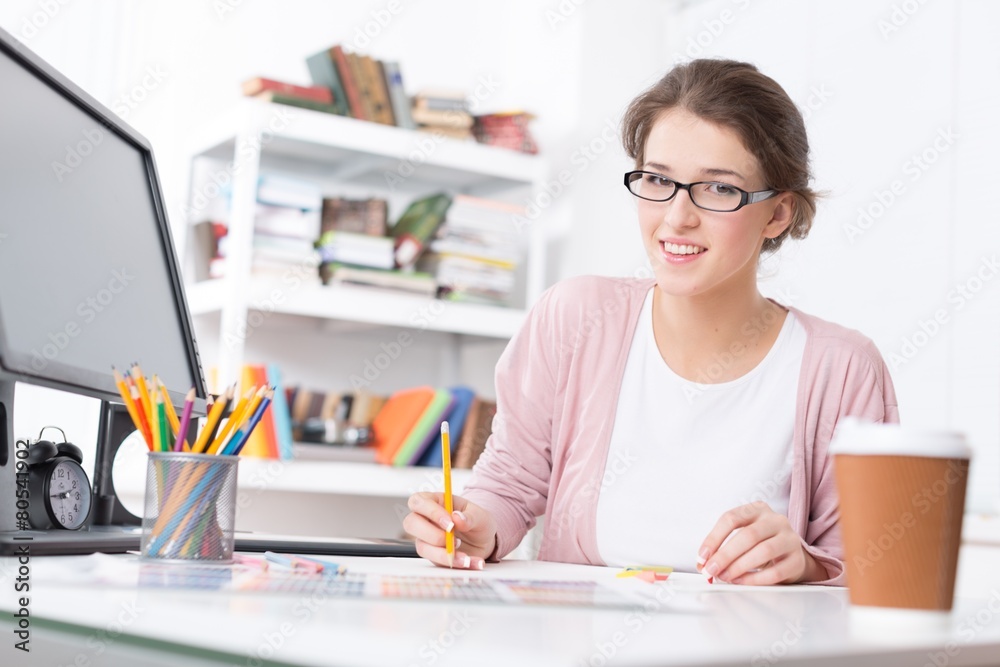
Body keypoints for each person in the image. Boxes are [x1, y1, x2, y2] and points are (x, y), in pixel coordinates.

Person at [403, 59, 899, 585]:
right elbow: (507, 484)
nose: (677, 217)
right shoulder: (574, 318)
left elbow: (877, 567)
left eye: (718, 189)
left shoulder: (843, 369)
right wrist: (475, 526)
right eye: (658, 179)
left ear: (778, 214)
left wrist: (802, 563)